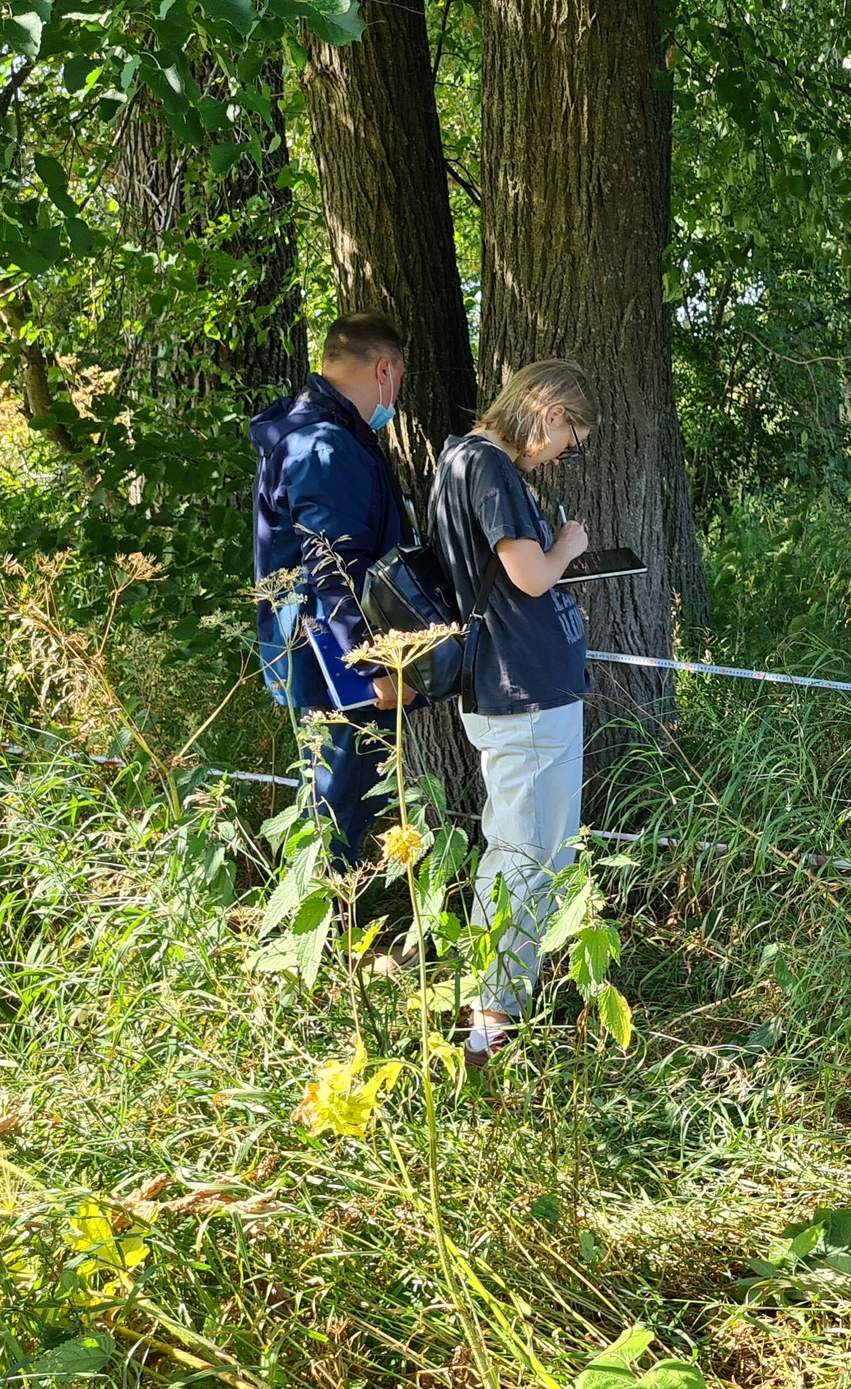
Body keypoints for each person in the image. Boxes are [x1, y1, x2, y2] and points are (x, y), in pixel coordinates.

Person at [428, 359, 595, 1067]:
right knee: (531, 853)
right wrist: (569, 546)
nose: (564, 454)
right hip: (523, 691)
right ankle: (490, 1023)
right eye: (571, 437)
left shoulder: (460, 462)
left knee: (527, 847)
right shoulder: (489, 466)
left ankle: (497, 999)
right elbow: (529, 575)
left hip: (517, 688)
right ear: (548, 410)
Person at [251, 313, 414, 865]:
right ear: (384, 369)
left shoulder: (305, 435)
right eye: (399, 380)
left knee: (330, 802)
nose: (396, 396)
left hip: (310, 651)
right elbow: (334, 565)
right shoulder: (326, 447)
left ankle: (325, 935)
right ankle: (318, 945)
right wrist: (375, 667)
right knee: (336, 809)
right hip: (336, 663)